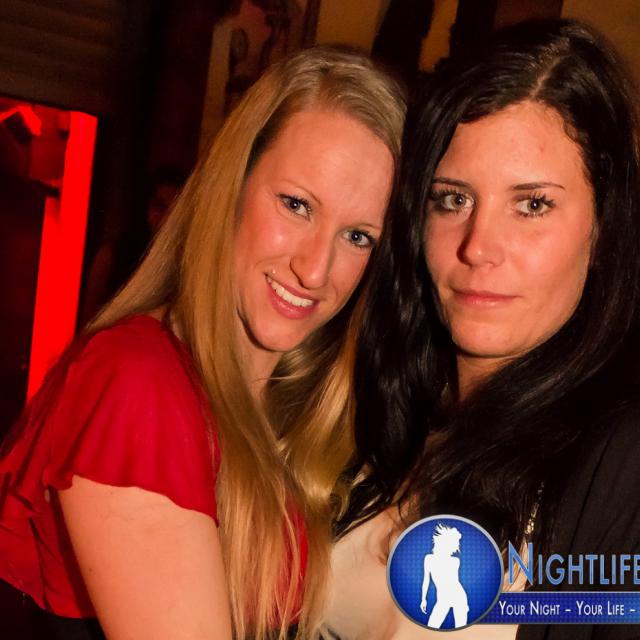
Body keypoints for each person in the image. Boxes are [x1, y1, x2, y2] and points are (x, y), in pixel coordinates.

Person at [0, 45, 405, 640]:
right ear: (231, 185)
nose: (316, 269)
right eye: (296, 205)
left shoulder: (295, 410)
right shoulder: (139, 383)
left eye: (358, 236)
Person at [323, 20, 640, 640]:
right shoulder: (363, 399)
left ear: (603, 227)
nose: (477, 247)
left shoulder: (621, 467)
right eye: (454, 199)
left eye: (532, 205)